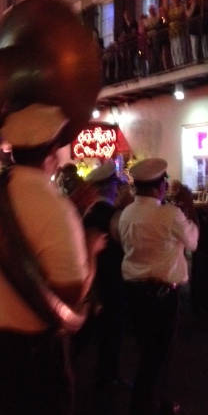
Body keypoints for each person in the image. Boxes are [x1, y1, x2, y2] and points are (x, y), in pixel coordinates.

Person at [0, 103, 106, 415]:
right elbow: (70, 296)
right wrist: (91, 250)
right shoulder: (53, 207)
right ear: (51, 153)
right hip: (33, 353)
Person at [118, 158, 199, 415]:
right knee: (156, 360)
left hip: (135, 291)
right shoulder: (170, 214)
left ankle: (159, 407)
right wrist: (187, 216)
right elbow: (193, 242)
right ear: (159, 186)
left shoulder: (127, 213)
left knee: (148, 354)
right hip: (162, 295)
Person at [83, 160, 127, 388]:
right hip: (112, 277)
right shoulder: (112, 214)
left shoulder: (89, 212)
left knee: (101, 330)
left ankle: (102, 372)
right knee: (113, 330)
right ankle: (108, 375)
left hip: (95, 277)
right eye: (115, 185)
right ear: (109, 187)